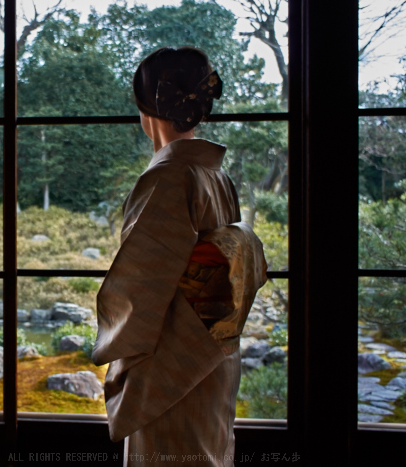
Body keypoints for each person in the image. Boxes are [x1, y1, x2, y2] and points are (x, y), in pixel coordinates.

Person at [91, 46, 268, 466]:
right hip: (211, 355)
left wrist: (116, 356)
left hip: (172, 365)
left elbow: (140, 289)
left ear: (146, 109)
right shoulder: (214, 175)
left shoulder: (167, 177)